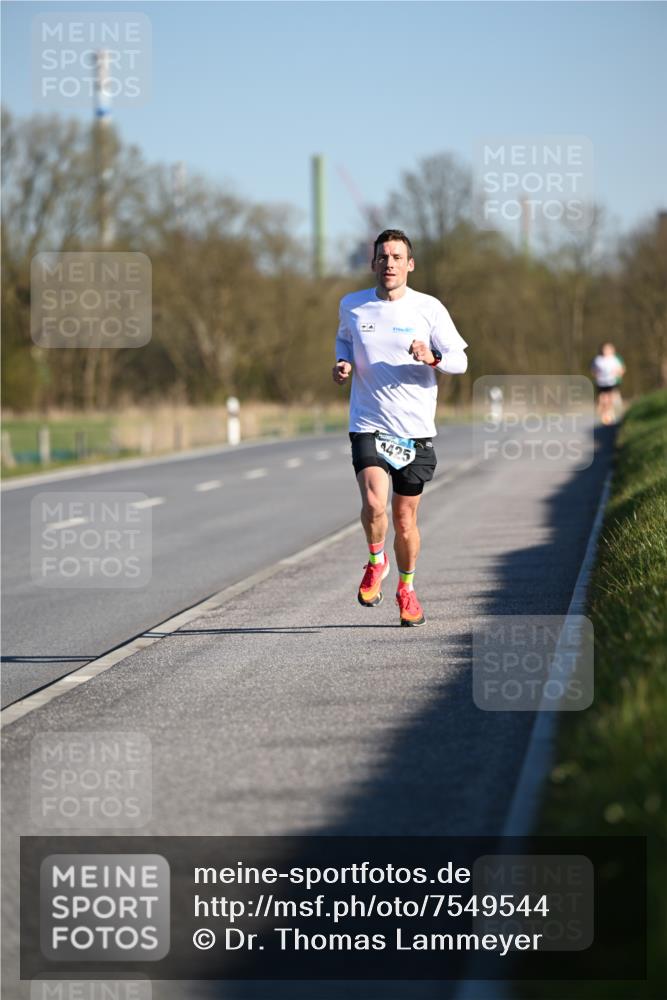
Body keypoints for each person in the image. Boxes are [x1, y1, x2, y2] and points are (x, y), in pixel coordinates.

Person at [332, 229, 468, 626]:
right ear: (373, 262)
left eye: (397, 257)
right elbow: (343, 342)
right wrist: (343, 364)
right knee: (374, 504)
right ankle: (377, 560)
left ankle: (406, 588)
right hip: (368, 422)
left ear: (409, 264)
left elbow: (460, 361)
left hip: (415, 430)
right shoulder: (353, 306)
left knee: (405, 520)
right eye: (382, 256)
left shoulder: (429, 308)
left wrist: (433, 355)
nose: (389, 263)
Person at [590, 342, 626, 425]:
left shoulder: (615, 359)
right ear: (602, 350)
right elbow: (593, 370)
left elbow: (621, 369)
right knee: (602, 399)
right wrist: (596, 374)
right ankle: (604, 413)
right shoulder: (598, 359)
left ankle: (608, 415)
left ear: (613, 350)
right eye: (605, 349)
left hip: (611, 381)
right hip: (601, 382)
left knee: (609, 398)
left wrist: (618, 374)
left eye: (609, 349)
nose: (607, 351)